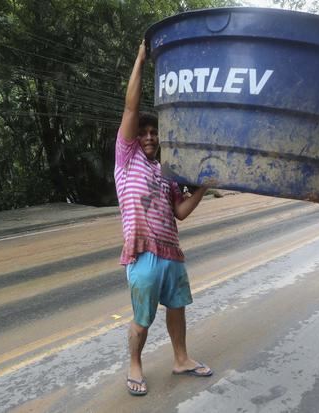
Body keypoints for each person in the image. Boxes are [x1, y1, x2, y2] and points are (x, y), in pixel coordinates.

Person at [115, 40, 212, 397]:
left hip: (171, 252)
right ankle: (135, 365)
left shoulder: (166, 171)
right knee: (142, 320)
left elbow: (180, 212)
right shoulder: (127, 159)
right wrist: (141, 59)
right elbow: (130, 108)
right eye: (144, 132)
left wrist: (203, 188)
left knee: (177, 308)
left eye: (154, 133)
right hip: (142, 254)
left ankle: (181, 358)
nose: (150, 137)